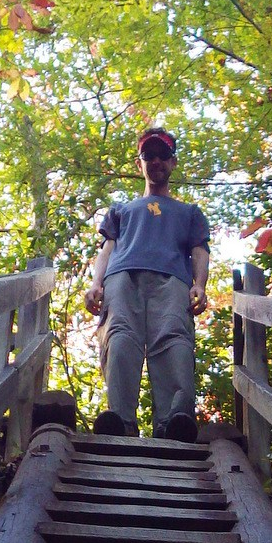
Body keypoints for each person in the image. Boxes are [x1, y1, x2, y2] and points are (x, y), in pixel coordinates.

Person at [84, 127, 210, 442]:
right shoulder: (121, 210)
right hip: (122, 277)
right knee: (121, 339)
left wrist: (200, 285)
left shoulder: (189, 213)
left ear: (173, 162)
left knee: (173, 341)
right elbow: (108, 249)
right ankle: (121, 422)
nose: (156, 161)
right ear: (139, 163)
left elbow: (200, 251)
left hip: (173, 280)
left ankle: (173, 422)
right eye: (148, 156)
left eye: (163, 155)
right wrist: (96, 283)